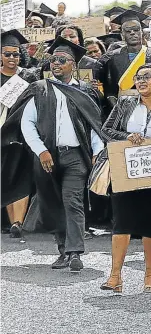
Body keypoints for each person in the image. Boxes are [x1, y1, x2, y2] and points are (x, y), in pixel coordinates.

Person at [3, 37, 104, 272]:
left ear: (73, 64)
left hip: (76, 156)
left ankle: (75, 251)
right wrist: (42, 151)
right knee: (52, 202)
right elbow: (27, 124)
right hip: (47, 157)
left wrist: (97, 152)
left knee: (73, 201)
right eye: (52, 60)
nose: (55, 64)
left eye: (61, 60)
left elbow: (94, 124)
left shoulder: (85, 91)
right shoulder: (40, 89)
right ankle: (62, 249)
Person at [99, 64, 151, 293]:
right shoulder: (125, 103)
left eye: (147, 77)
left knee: (150, 224)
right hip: (126, 169)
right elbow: (106, 130)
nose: (141, 81)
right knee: (121, 221)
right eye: (138, 77)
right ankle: (115, 276)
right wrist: (127, 136)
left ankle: (150, 275)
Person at [1, 30, 38, 238]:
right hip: (1, 132)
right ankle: (11, 219)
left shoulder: (27, 76)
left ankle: (18, 222)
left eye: (15, 54)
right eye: (7, 54)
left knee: (23, 175)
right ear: (0, 55)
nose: (12, 58)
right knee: (6, 176)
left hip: (23, 131)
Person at [97, 10, 151, 119]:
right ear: (122, 35)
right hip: (120, 111)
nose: (132, 33)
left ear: (142, 32)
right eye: (128, 31)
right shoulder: (111, 58)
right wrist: (117, 109)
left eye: (136, 30)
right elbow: (109, 89)